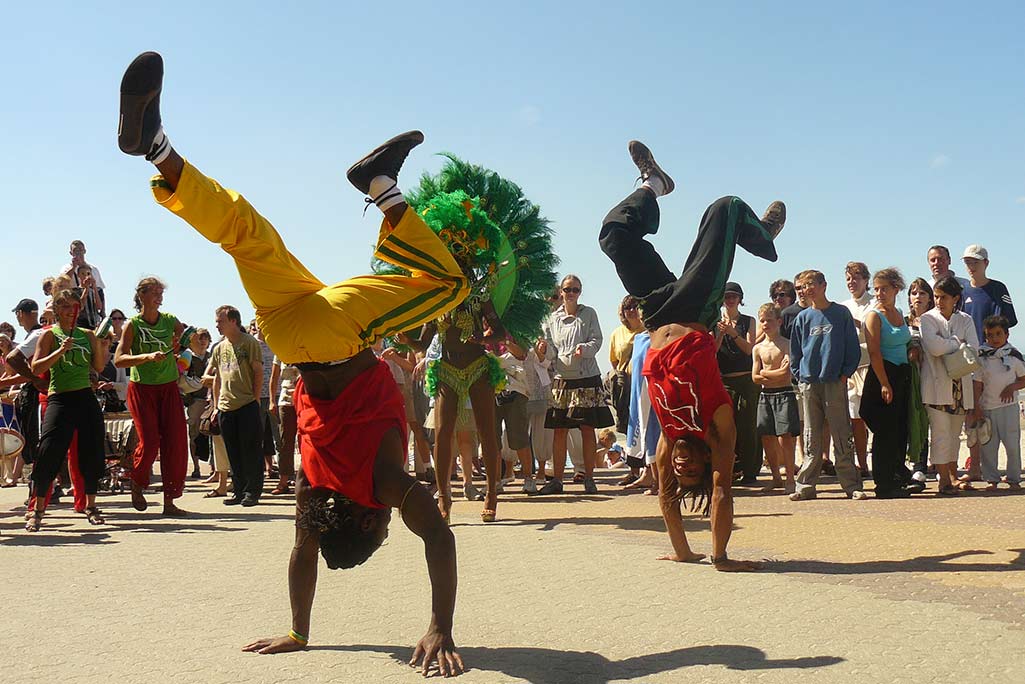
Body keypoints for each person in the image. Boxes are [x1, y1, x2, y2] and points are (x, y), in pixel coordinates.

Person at [118, 51, 466, 672]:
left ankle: (381, 188)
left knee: (449, 284)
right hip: (285, 331)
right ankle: (158, 150)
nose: (388, 530)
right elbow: (303, 551)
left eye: (379, 534)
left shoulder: (381, 488)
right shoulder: (314, 490)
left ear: (369, 523)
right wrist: (298, 632)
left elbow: (438, 537)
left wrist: (441, 627)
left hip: (334, 334)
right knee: (245, 233)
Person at [598, 139, 782, 571]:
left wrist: (682, 551)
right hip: (696, 308)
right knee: (725, 207)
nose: (680, 463)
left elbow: (665, 497)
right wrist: (719, 557)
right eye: (689, 468)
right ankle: (762, 233)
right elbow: (721, 492)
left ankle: (653, 185)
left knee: (613, 234)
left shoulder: (666, 441)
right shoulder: (716, 424)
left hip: (657, 308)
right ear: (704, 460)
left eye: (677, 469)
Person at [26, 289, 111, 531]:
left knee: (92, 451)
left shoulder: (88, 335)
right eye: (64, 307)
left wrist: (103, 345)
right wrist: (60, 351)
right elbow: (36, 367)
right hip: (60, 398)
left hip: (85, 396)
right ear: (56, 309)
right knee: (49, 451)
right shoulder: (49, 335)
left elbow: (98, 366)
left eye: (74, 307)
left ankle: (91, 505)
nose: (69, 311)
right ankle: (38, 509)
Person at [788, 270, 867, 501]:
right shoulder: (803, 318)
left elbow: (852, 348)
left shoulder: (840, 313)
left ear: (824, 285)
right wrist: (800, 375)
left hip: (835, 381)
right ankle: (806, 486)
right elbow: (795, 352)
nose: (807, 289)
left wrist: (845, 374)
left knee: (842, 433)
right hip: (809, 383)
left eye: (811, 284)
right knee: (811, 434)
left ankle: (851, 485)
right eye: (803, 286)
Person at [114, 276, 190, 516]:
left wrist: (181, 345)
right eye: (154, 292)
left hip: (168, 387)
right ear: (142, 296)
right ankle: (137, 482)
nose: (159, 296)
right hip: (142, 388)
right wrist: (146, 357)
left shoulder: (169, 320)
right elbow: (119, 359)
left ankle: (170, 502)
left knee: (176, 443)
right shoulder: (133, 325)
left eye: (161, 292)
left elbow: (186, 338)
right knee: (149, 443)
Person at [535, 274, 613, 496]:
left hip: (586, 377)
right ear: (561, 292)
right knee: (559, 430)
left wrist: (584, 349)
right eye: (567, 289)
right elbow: (549, 348)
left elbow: (597, 340)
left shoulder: (588, 313)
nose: (571, 294)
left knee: (587, 429)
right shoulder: (552, 319)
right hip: (561, 379)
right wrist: (542, 350)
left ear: (580, 292)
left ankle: (589, 478)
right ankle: (557, 480)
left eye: (575, 290)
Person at [859, 268, 921, 498]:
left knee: (898, 431)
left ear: (896, 288)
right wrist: (885, 383)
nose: (879, 293)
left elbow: (905, 340)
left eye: (884, 288)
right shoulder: (874, 316)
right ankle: (883, 486)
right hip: (882, 376)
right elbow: (874, 352)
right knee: (884, 433)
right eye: (876, 289)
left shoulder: (899, 312)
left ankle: (896, 476)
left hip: (902, 374)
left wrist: (913, 349)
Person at [918, 277, 981, 495]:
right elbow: (934, 347)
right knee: (941, 434)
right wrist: (957, 343)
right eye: (936, 296)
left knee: (954, 435)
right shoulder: (927, 318)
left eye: (943, 297)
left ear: (955, 298)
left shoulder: (965, 319)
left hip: (960, 387)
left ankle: (953, 476)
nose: (938, 301)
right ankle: (943, 479)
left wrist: (953, 345)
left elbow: (974, 349)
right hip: (936, 386)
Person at [207, 305, 265, 507]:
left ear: (233, 321)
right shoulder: (219, 347)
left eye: (220, 321)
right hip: (225, 406)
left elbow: (258, 371)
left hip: (246, 403)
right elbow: (216, 378)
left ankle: (253, 491)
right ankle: (238, 490)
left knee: (251, 450)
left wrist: (256, 399)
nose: (217, 325)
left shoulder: (249, 342)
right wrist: (216, 406)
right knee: (233, 452)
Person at [715, 281, 760, 485]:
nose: (730, 300)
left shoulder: (748, 321)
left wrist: (732, 333)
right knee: (726, 428)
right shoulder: (715, 322)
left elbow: (749, 349)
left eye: (734, 296)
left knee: (749, 426)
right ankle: (730, 469)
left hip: (747, 379)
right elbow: (712, 351)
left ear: (740, 299)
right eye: (727, 296)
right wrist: (721, 334)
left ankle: (750, 471)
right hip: (724, 381)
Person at [751, 303, 798, 493]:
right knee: (767, 436)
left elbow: (786, 375)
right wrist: (773, 372)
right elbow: (754, 377)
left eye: (769, 320)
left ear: (778, 321)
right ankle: (775, 478)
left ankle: (790, 479)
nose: (765, 324)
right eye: (762, 320)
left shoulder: (787, 344)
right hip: (765, 395)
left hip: (784, 393)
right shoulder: (757, 348)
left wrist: (767, 372)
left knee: (785, 437)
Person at [976, 315, 1024, 490]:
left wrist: (1012, 387)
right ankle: (992, 479)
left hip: (1008, 407)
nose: (994, 339)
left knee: (1012, 444)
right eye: (990, 335)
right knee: (988, 445)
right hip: (987, 407)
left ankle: (1013, 478)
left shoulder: (1013, 356)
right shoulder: (982, 356)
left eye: (998, 334)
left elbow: (1024, 379)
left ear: (1007, 334)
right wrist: (976, 407)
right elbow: (977, 384)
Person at [841, 261, 873, 476]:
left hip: (872, 366)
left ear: (866, 280)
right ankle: (862, 464)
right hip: (852, 369)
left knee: (874, 417)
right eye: (848, 279)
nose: (852, 283)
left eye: (856, 278)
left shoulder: (874, 304)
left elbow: (875, 332)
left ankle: (880, 461)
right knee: (856, 419)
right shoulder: (842, 306)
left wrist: (858, 324)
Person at [905, 278, 935, 484]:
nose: (918, 297)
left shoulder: (935, 320)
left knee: (935, 422)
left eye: (922, 293)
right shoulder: (902, 321)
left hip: (933, 376)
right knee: (916, 421)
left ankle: (940, 464)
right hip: (910, 377)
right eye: (914, 293)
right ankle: (918, 465)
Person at [607, 295, 645, 435]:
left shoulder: (649, 329)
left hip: (644, 384)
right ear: (622, 312)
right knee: (629, 426)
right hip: (626, 386)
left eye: (635, 306)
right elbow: (614, 361)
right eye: (627, 307)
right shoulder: (616, 333)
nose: (632, 310)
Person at [268, 354, 300, 495]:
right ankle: (283, 481)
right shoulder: (280, 351)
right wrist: (271, 400)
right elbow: (274, 377)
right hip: (286, 400)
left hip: (305, 398)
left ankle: (307, 480)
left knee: (306, 441)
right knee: (285, 441)